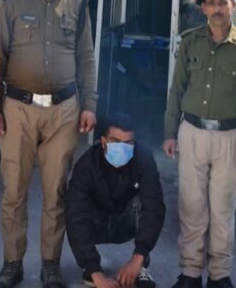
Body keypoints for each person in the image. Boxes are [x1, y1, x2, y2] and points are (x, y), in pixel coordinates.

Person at [0, 0, 97, 288]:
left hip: (63, 111)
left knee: (55, 192)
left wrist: (90, 106)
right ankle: (11, 264)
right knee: (14, 191)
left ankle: (50, 265)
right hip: (18, 109)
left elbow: (86, 59)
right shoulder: (12, 4)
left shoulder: (78, 6)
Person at [162, 0, 236, 288]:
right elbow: (177, 90)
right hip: (192, 132)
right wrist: (170, 133)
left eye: (223, 2)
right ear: (203, 9)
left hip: (229, 136)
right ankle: (190, 273)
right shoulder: (190, 42)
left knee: (223, 209)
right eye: (212, 3)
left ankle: (220, 275)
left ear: (234, 6)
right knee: (191, 206)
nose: (217, 8)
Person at [65, 113, 166, 288]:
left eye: (128, 143)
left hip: (125, 220)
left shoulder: (143, 158)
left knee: (147, 201)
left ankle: (141, 266)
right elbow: (75, 217)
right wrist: (96, 272)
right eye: (116, 141)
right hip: (97, 222)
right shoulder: (86, 165)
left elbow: (154, 207)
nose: (123, 148)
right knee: (76, 208)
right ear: (104, 142)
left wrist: (138, 256)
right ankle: (91, 268)